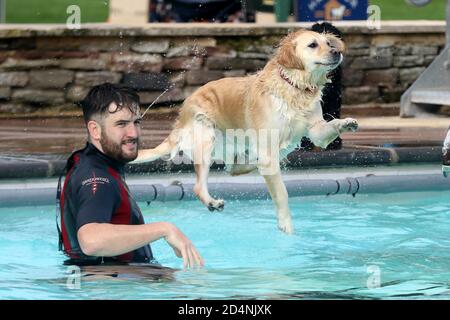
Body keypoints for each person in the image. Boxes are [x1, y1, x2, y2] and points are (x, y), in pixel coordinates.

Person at [57, 83, 203, 270]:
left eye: (136, 122)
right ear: (95, 130)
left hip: (114, 282)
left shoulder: (90, 164)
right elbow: (90, 240)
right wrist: (165, 229)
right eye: (121, 124)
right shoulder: (97, 178)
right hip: (116, 289)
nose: (133, 133)